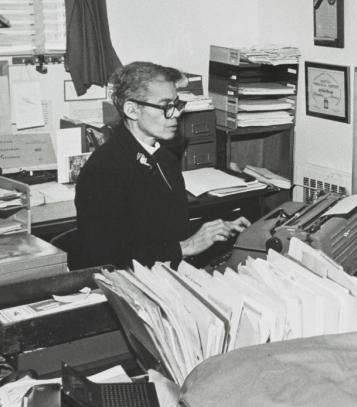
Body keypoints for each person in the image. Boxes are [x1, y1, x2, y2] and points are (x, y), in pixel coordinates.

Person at [75, 61, 249, 269]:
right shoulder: (103, 171)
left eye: (176, 105)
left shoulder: (163, 156)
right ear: (132, 110)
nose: (175, 114)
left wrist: (218, 229)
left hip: (167, 272)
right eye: (166, 106)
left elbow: (165, 229)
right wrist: (187, 246)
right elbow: (108, 259)